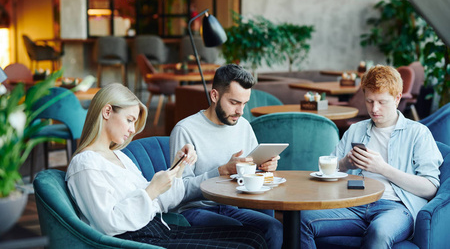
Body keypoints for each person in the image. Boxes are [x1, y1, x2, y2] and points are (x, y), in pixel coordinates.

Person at [66, 83, 268, 249]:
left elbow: (162, 203)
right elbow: (109, 223)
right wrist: (151, 190)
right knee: (245, 246)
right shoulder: (85, 164)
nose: (131, 130)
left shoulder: (118, 156)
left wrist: (177, 167)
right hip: (138, 241)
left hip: (158, 228)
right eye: (129, 120)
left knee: (254, 237)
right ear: (107, 111)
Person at [300, 65, 443, 248]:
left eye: (382, 102)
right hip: (355, 204)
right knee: (302, 219)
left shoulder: (418, 133)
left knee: (379, 231)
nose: (374, 109)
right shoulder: (356, 130)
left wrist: (382, 168)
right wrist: (344, 163)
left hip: (396, 207)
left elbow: (430, 187)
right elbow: (325, 170)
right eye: (369, 101)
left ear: (397, 98)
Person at [170, 64, 283, 249]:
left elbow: (251, 170)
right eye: (234, 103)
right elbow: (179, 191)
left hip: (233, 206)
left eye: (244, 103)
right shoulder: (185, 130)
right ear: (214, 96)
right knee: (242, 232)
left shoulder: (243, 126)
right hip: (196, 209)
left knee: (275, 228)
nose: (241, 111)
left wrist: (265, 167)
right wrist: (221, 171)